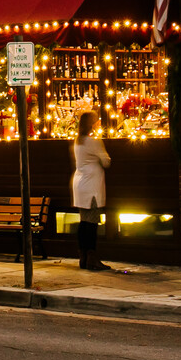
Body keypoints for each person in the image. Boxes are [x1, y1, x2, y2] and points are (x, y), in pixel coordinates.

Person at [71, 112, 113, 272]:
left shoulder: (78, 141)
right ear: (91, 124)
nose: (98, 123)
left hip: (80, 184)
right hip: (92, 187)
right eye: (96, 121)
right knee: (92, 223)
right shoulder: (93, 141)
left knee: (84, 222)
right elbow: (106, 161)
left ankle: (83, 256)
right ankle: (92, 257)